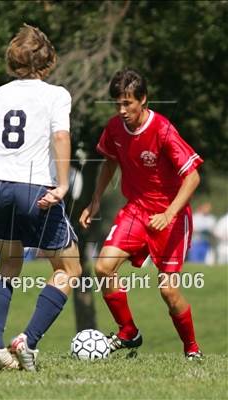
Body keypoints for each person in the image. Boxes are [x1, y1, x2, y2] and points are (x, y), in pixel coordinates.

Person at [0, 24, 82, 371]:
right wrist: (62, 185)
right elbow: (61, 136)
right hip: (36, 190)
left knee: (8, 266)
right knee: (70, 268)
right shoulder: (56, 95)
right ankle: (26, 341)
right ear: (47, 62)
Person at [80, 69, 204, 360]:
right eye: (117, 104)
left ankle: (192, 348)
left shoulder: (162, 129)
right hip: (136, 210)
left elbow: (193, 177)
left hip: (170, 216)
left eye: (128, 104)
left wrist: (169, 213)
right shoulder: (114, 128)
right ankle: (128, 332)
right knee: (103, 268)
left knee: (168, 292)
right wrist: (95, 200)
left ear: (143, 100)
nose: (122, 110)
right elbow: (109, 161)